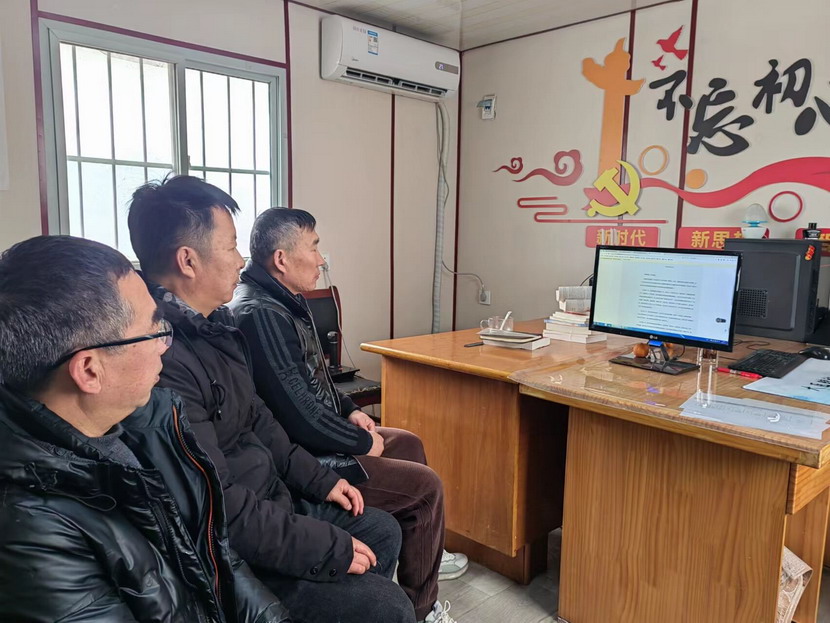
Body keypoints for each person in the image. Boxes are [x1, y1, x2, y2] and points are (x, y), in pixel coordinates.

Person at [127, 175, 415, 623]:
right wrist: (327, 547)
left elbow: (259, 418)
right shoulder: (162, 360)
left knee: (380, 529)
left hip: (272, 499)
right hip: (236, 551)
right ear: (188, 260)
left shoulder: (217, 325)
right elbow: (218, 506)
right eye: (230, 246)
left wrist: (320, 482)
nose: (241, 260)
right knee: (386, 604)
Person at [0, 235, 290, 622]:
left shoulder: (151, 424)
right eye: (155, 331)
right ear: (89, 371)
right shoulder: (32, 534)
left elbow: (214, 557)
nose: (165, 346)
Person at [229, 207, 467, 623]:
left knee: (407, 442)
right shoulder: (260, 313)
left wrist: (352, 411)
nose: (321, 259)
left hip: (319, 435)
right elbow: (298, 416)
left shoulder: (285, 301)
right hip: (306, 455)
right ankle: (423, 608)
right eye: (314, 247)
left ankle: (424, 547)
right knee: (425, 488)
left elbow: (314, 379)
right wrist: (359, 441)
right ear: (281, 259)